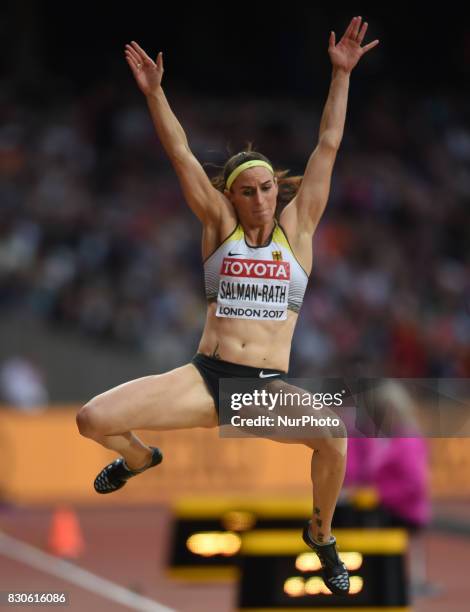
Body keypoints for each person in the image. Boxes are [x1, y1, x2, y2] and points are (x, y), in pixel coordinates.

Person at [76, 16, 379, 595]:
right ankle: (140, 459)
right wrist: (156, 95)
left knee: (334, 439)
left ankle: (321, 534)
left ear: (278, 192)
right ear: (231, 196)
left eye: (268, 188)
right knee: (90, 419)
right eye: (248, 190)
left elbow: (329, 145)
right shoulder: (219, 229)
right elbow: (182, 156)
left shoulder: (299, 233)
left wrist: (340, 75)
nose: (261, 198)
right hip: (203, 377)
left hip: (260, 390)